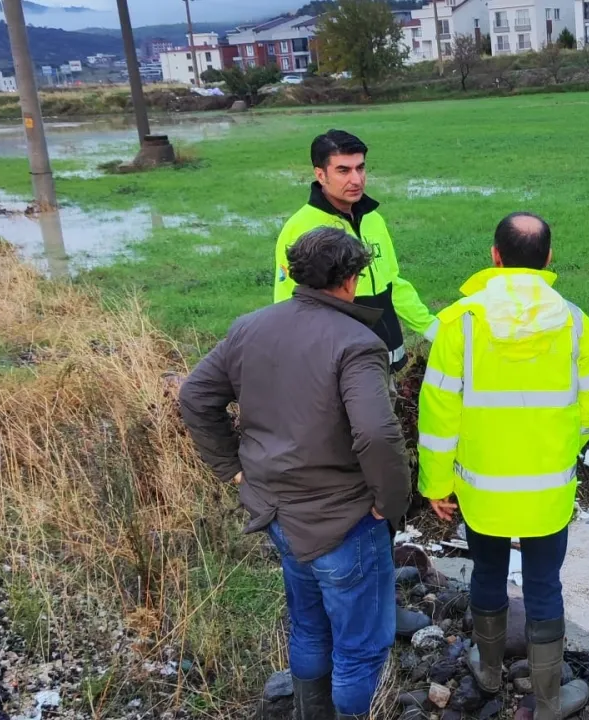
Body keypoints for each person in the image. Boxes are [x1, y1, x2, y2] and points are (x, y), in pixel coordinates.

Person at [181, 227, 411, 720]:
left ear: (294, 274)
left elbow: (195, 396)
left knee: (308, 627)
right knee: (361, 647)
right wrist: (389, 503)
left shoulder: (250, 327)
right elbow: (376, 433)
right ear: (350, 280)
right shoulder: (358, 342)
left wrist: (234, 470)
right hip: (343, 520)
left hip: (275, 511)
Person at [416, 213, 589, 720]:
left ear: (495, 256)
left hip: (482, 488)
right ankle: (547, 702)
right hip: (548, 488)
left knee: (487, 571)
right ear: (549, 258)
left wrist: (436, 482)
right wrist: (565, 443)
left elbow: (438, 413)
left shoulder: (460, 323)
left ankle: (488, 673)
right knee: (544, 584)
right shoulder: (575, 322)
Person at [274, 129, 435, 373]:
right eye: (343, 170)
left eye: (360, 168)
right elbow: (288, 304)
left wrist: (433, 329)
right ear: (320, 174)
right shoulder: (300, 228)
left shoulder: (373, 219)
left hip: (384, 360)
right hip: (339, 366)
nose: (356, 180)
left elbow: (392, 283)